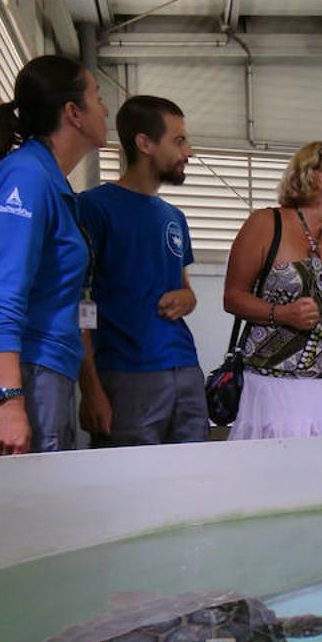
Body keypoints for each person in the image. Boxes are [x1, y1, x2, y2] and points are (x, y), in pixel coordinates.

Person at [0, 55, 108, 455]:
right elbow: (2, 293)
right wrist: (8, 400)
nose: (106, 108)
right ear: (73, 113)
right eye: (98, 96)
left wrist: (89, 386)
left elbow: (72, 300)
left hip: (46, 368)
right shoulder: (26, 177)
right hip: (23, 369)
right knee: (15, 510)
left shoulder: (54, 184)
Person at [76, 95, 208, 447]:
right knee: (129, 491)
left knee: (194, 484)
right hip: (125, 377)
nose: (189, 151)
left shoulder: (173, 218)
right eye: (178, 140)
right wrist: (90, 389)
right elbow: (77, 304)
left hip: (186, 372)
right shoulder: (92, 208)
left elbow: (186, 291)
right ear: (144, 143)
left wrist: (187, 298)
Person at [222, 140, 322, 438]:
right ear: (317, 178)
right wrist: (282, 314)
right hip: (276, 390)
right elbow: (233, 297)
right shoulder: (265, 224)